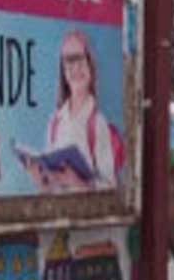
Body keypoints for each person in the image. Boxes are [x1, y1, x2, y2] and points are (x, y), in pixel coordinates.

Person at [22, 29, 119, 193]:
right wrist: (41, 181)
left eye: (80, 60)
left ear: (90, 65)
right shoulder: (55, 122)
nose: (76, 69)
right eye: (69, 62)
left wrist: (79, 183)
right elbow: (51, 191)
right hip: (58, 216)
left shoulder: (97, 123)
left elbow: (110, 188)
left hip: (84, 216)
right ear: (63, 72)